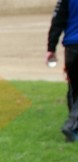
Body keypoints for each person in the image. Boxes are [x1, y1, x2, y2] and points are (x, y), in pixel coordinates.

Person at [47, 0, 78, 141]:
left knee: (74, 89)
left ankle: (73, 131)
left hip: (71, 49)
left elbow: (57, 20)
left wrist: (51, 48)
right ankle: (71, 126)